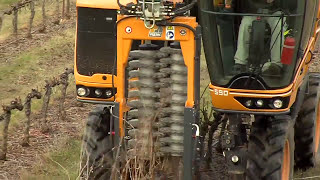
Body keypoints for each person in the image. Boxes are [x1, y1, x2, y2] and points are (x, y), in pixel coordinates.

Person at [233, 0, 286, 75]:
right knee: (245, 22)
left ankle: (276, 64)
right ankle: (240, 63)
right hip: (253, 11)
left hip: (274, 11)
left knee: (279, 24)